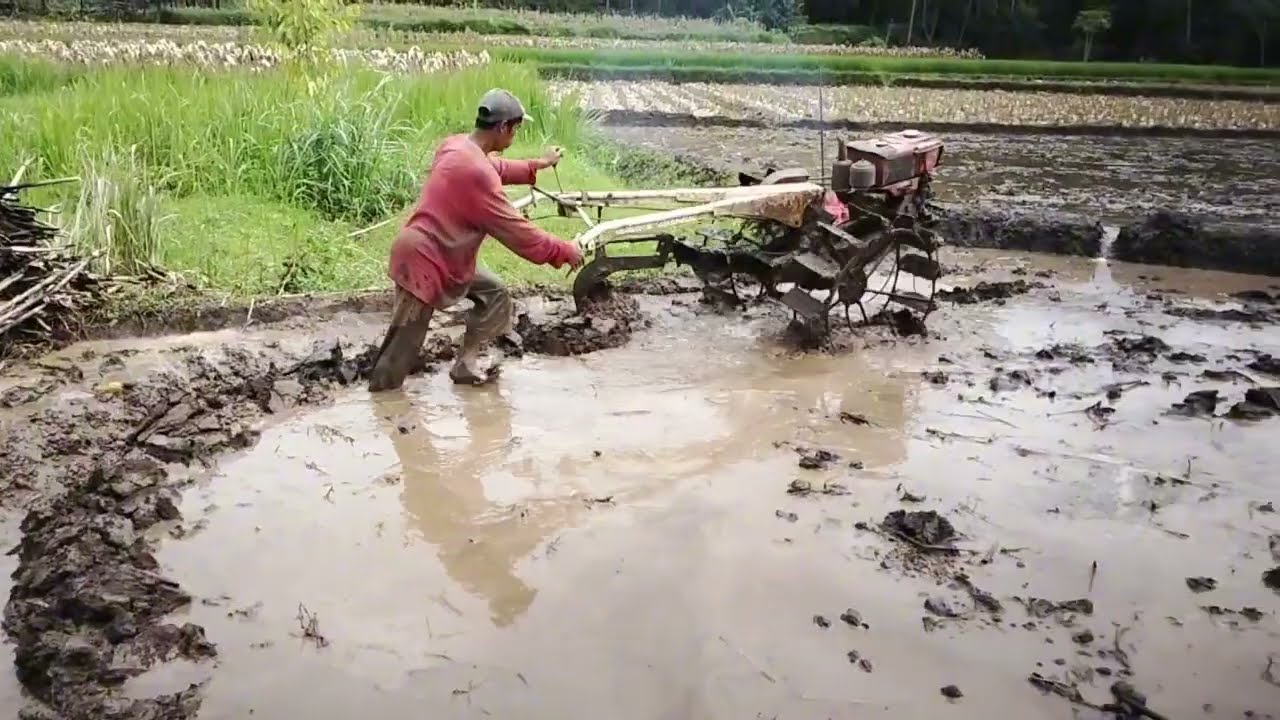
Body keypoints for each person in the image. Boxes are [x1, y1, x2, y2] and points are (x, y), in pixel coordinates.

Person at [368, 88, 583, 392]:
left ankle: (465, 365)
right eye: (516, 129)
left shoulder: (457, 146)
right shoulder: (476, 174)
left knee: (495, 294)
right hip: (423, 261)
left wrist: (539, 165)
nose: (516, 135)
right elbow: (519, 234)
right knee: (400, 350)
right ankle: (384, 406)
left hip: (448, 255)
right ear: (502, 128)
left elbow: (497, 167)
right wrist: (565, 251)